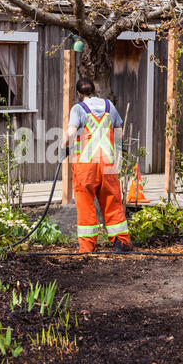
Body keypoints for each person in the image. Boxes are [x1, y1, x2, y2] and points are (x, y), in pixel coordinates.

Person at [62, 77, 132, 253]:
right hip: (108, 164)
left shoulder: (78, 109)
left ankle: (87, 247)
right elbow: (119, 134)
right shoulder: (109, 106)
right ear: (94, 91)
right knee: (112, 201)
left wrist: (64, 145)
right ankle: (121, 242)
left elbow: (71, 132)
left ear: (79, 94)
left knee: (85, 204)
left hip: (86, 166)